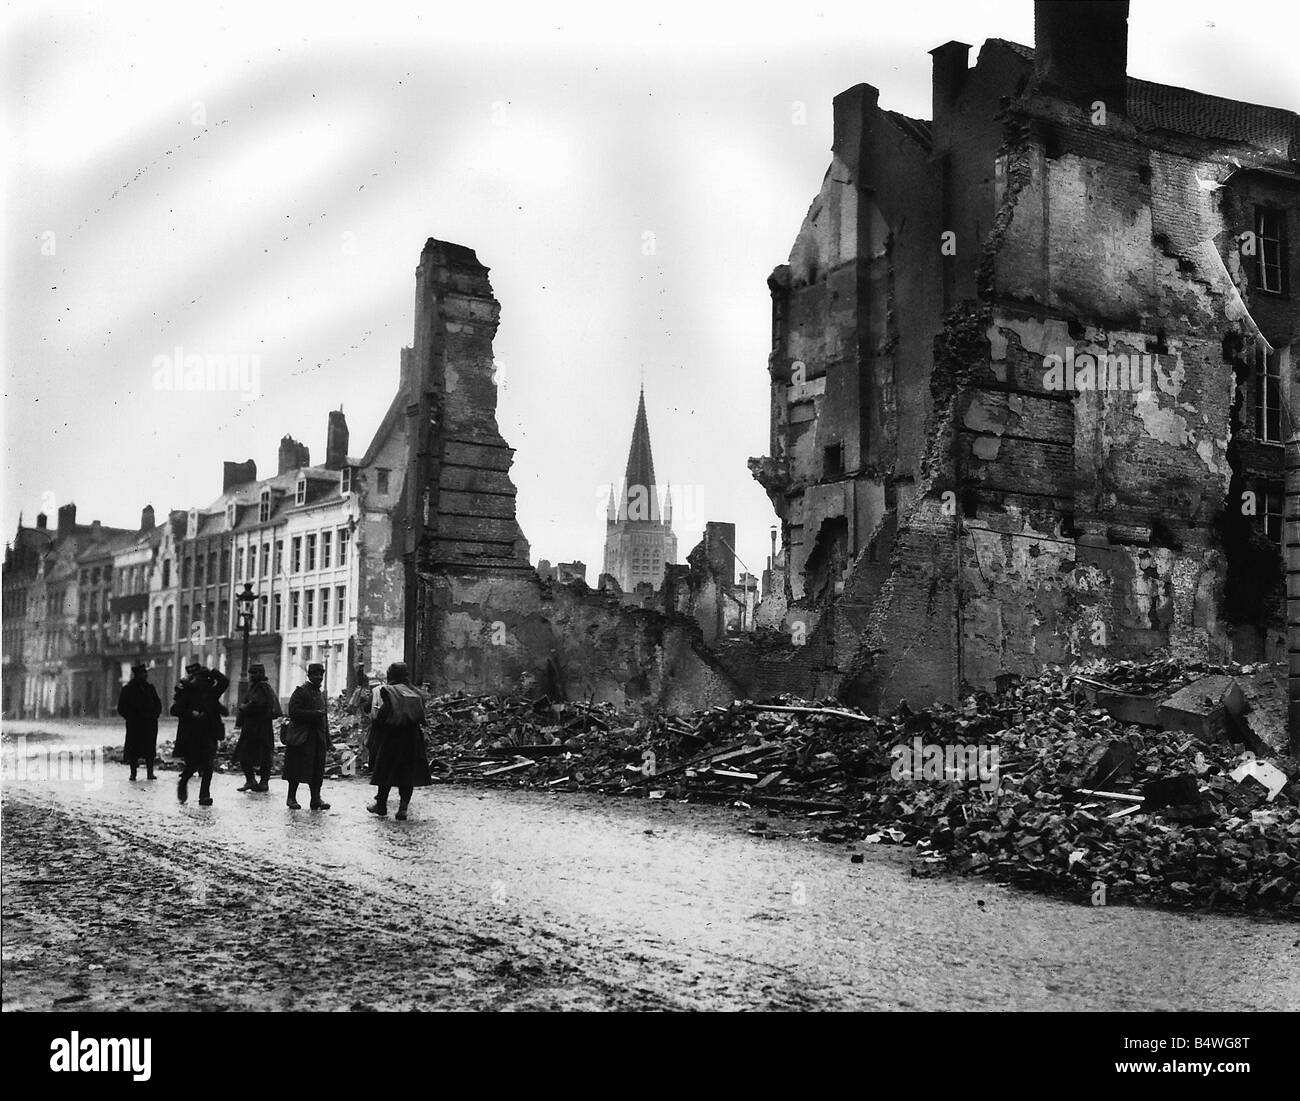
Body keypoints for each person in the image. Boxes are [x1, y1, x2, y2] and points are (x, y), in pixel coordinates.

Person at [364, 662, 432, 821]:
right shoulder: (416, 692)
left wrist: (378, 724)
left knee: (385, 771)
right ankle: (403, 808)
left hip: (391, 737)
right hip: (412, 737)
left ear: (391, 675)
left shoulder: (387, 691)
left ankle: (381, 805)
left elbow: (379, 713)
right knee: (407, 773)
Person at [171, 660, 231, 806]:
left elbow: (224, 681)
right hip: (192, 734)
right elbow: (174, 710)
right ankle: (183, 782)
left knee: (208, 765)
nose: (199, 678)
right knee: (192, 765)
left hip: (209, 732)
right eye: (195, 675)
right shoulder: (186, 692)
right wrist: (191, 712)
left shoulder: (211, 691)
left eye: (200, 675)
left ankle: (204, 795)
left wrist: (211, 671)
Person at [284, 662, 331, 810]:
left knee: (317, 769)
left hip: (317, 738)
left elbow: (324, 719)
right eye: (315, 674)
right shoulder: (300, 692)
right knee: (296, 769)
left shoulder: (321, 694)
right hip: (302, 738)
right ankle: (291, 798)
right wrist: (314, 714)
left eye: (320, 674)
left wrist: (328, 740)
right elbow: (293, 712)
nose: (318, 677)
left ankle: (315, 799)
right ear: (309, 675)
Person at [233, 663, 280, 792]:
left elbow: (257, 703)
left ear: (261, 673)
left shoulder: (262, 687)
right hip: (252, 727)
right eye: (251, 673)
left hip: (260, 727)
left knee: (263, 755)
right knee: (246, 755)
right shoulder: (256, 687)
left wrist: (244, 707)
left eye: (255, 673)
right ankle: (251, 780)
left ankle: (263, 782)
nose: (252, 676)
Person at [117, 663, 162, 781]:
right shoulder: (128, 689)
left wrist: (155, 715)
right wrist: (130, 717)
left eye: (145, 673)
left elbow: (158, 703)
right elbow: (121, 707)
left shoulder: (150, 688)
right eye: (143, 673)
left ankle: (150, 773)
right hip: (135, 725)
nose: (145, 675)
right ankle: (133, 773)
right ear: (137, 675)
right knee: (133, 750)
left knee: (150, 749)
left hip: (149, 724)